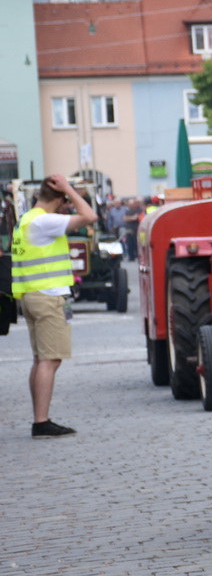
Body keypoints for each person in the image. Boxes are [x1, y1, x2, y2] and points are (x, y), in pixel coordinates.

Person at [13, 175, 96, 438]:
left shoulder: (26, 219)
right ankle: (41, 421)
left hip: (31, 296)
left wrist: (64, 191)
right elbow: (89, 216)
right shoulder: (45, 221)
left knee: (41, 360)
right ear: (59, 200)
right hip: (48, 297)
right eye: (65, 201)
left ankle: (40, 417)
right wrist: (70, 189)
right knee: (50, 360)